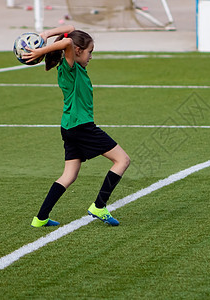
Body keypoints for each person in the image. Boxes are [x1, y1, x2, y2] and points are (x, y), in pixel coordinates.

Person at [23, 25, 130, 227]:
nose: (91, 56)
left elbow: (70, 30)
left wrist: (45, 34)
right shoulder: (69, 66)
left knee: (69, 175)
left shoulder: (74, 67)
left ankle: (40, 218)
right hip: (82, 127)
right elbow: (69, 41)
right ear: (78, 52)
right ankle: (99, 206)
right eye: (90, 52)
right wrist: (40, 51)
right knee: (122, 160)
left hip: (70, 127)